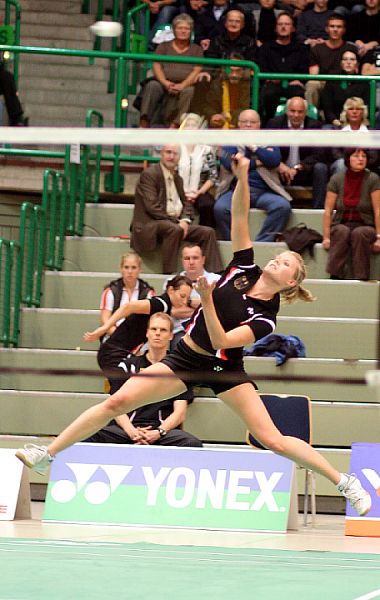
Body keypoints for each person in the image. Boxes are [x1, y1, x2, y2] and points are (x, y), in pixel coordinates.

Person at [15, 153, 372, 519]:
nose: (277, 261)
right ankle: (49, 453)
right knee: (114, 404)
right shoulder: (243, 267)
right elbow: (239, 217)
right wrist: (243, 176)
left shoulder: (266, 318)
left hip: (224, 370)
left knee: (273, 439)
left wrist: (206, 299)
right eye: (278, 257)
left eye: (286, 264)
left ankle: (344, 481)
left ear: (291, 282)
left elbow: (220, 341)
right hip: (184, 358)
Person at [85, 313, 202, 448]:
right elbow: (114, 405)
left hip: (161, 432)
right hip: (126, 430)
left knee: (191, 443)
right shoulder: (127, 366)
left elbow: (179, 413)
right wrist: (131, 431)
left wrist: (159, 432)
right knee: (91, 436)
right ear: (147, 333)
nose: (157, 333)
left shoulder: (179, 369)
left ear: (170, 335)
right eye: (154, 329)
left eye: (163, 330)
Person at [85, 274, 193, 393]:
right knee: (124, 394)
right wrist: (104, 328)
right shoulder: (160, 304)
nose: (184, 302)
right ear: (170, 290)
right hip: (113, 354)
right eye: (182, 296)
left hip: (122, 352)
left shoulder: (165, 307)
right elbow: (129, 306)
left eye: (186, 298)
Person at [130, 143, 223, 275]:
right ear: (161, 154)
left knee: (207, 232)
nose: (171, 156)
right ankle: (169, 275)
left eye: (175, 154)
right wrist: (178, 223)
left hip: (174, 222)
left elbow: (186, 204)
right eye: (168, 152)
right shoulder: (149, 175)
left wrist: (185, 220)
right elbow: (152, 208)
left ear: (179, 157)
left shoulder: (177, 178)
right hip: (150, 224)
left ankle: (215, 276)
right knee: (174, 229)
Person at [214, 108, 292, 240]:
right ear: (238, 124)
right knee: (220, 208)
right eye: (244, 122)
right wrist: (258, 162)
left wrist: (254, 148)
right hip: (236, 191)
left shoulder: (268, 138)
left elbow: (274, 160)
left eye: (252, 122)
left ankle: (261, 243)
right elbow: (230, 163)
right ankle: (235, 244)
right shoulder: (230, 139)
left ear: (259, 124)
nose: (248, 125)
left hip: (264, 192)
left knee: (282, 207)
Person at [322, 148, 380, 280]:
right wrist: (326, 237)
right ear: (348, 159)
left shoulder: (373, 179)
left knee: (359, 233)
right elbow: (328, 210)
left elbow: (378, 210)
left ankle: (361, 278)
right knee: (342, 231)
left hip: (366, 225)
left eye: (364, 156)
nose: (361, 159)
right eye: (356, 155)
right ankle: (335, 276)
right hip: (342, 223)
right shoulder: (337, 179)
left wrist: (379, 237)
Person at [137, 14, 203, 128]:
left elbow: (197, 70)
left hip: (185, 84)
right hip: (164, 82)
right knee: (152, 86)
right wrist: (165, 83)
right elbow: (156, 65)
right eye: (180, 28)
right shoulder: (163, 46)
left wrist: (182, 85)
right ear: (174, 30)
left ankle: (176, 124)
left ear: (191, 31)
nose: (183, 31)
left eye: (186, 29)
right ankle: (144, 121)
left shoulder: (196, 49)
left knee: (190, 91)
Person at [265, 96, 329, 209]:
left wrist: (298, 167)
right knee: (265, 167)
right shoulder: (275, 124)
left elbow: (319, 154)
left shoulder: (315, 126)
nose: (296, 115)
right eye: (292, 111)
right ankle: (272, 206)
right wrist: (280, 166)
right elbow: (267, 149)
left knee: (321, 168)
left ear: (305, 113)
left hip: (303, 171)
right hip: (280, 170)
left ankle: (318, 210)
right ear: (286, 111)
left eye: (300, 112)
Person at [163, 243, 221, 345]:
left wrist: (186, 304)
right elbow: (172, 311)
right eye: (187, 258)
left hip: (209, 330)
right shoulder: (171, 282)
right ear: (182, 261)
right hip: (180, 332)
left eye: (195, 258)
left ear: (203, 260)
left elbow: (220, 309)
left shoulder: (216, 280)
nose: (191, 262)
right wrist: (204, 305)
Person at [257, 12, 310, 123]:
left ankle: (297, 125)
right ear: (276, 28)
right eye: (280, 24)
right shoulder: (266, 48)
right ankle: (269, 123)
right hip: (272, 85)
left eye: (287, 24)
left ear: (293, 28)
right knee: (268, 94)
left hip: (294, 85)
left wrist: (299, 80)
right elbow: (262, 69)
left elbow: (304, 70)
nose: (283, 27)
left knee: (299, 94)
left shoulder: (301, 48)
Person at [177, 112, 218, 228]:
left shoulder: (207, 150)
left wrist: (198, 193)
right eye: (187, 125)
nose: (190, 128)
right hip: (178, 189)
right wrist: (183, 192)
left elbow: (213, 176)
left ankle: (204, 235)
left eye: (193, 125)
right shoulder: (175, 148)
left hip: (199, 191)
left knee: (208, 205)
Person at [100, 252, 155, 337]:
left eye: (133, 268)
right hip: (113, 335)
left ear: (140, 270)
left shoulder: (148, 292)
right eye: (126, 267)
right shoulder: (110, 290)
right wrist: (119, 336)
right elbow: (105, 319)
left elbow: (150, 320)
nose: (130, 271)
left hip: (139, 337)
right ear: (121, 269)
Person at [305, 13, 356, 107]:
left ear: (344, 30)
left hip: (344, 83)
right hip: (324, 83)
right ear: (326, 29)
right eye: (332, 26)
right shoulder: (317, 49)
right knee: (312, 84)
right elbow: (314, 76)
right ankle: (311, 117)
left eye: (339, 27)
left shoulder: (351, 48)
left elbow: (355, 72)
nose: (335, 29)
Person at [190, 52, 251, 129]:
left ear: (243, 71)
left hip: (241, 125)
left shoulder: (249, 85)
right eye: (231, 70)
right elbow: (208, 106)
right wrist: (213, 115)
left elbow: (246, 108)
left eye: (238, 71)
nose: (234, 75)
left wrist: (228, 116)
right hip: (218, 123)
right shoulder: (217, 83)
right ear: (225, 70)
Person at [328, 97, 378, 174]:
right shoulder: (338, 131)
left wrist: (359, 163)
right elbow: (335, 153)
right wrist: (351, 163)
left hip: (365, 165)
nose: (354, 112)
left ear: (363, 112)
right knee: (341, 164)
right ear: (346, 112)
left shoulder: (371, 132)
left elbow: (373, 156)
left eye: (358, 109)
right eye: (351, 109)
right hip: (343, 164)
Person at [320, 49, 370, 126]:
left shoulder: (364, 82)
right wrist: (336, 122)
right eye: (345, 59)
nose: (348, 62)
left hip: (358, 124)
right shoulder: (332, 80)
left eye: (352, 59)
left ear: (357, 63)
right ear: (341, 63)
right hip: (335, 123)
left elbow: (367, 107)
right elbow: (327, 108)